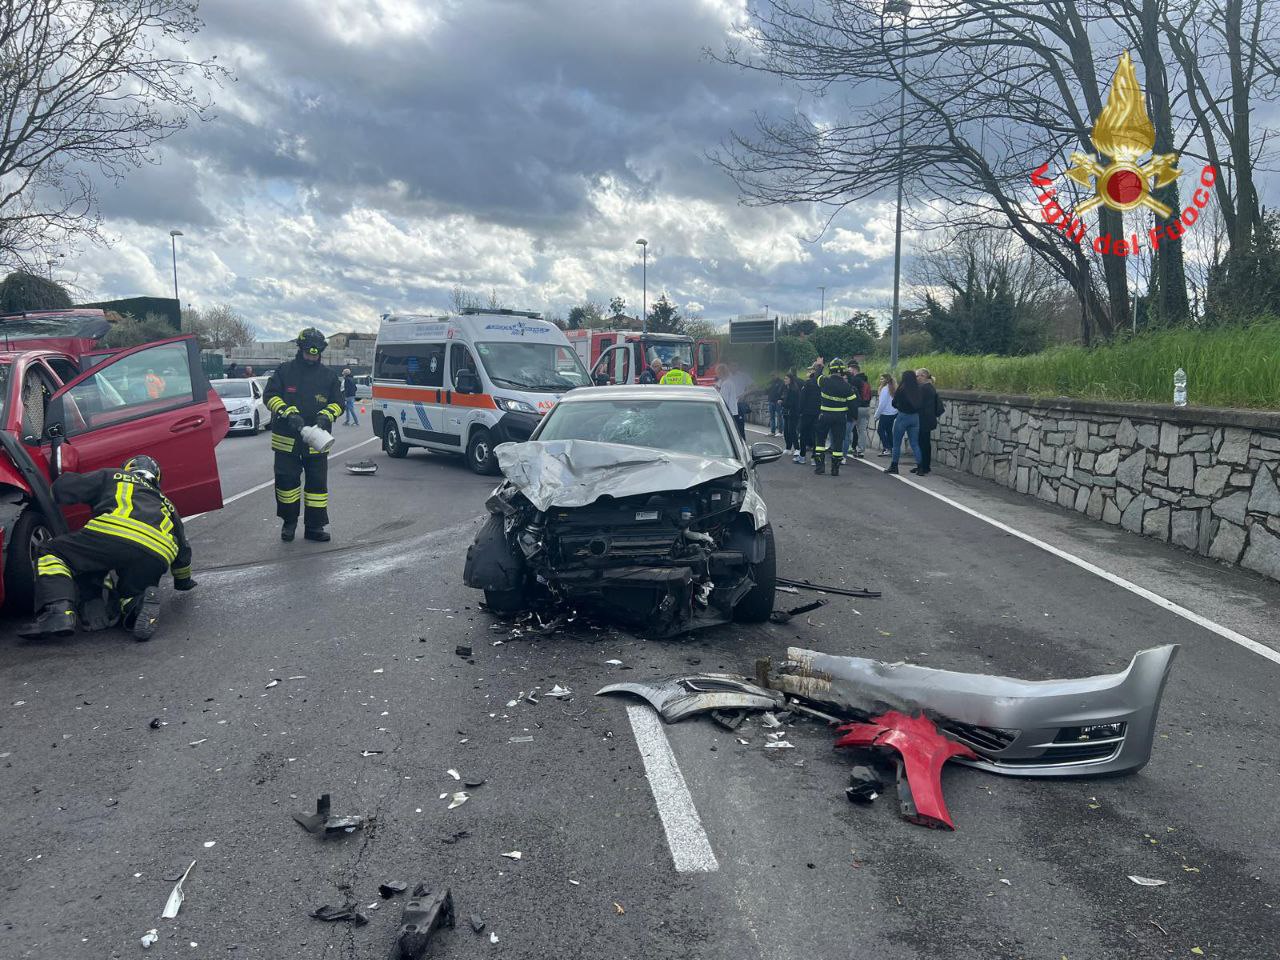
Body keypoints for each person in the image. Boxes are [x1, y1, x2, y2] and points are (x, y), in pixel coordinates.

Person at [21, 455, 195, 641]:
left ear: (128, 468)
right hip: (158, 552)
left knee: (52, 552)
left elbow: (66, 488)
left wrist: (52, 486)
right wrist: (183, 582)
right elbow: (183, 548)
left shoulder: (113, 475)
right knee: (130, 593)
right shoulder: (167, 503)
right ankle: (138, 603)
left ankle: (58, 613)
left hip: (115, 533)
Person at [264, 328, 344, 543]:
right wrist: (287, 413)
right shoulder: (285, 371)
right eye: (308, 353)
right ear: (301, 349)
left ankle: (314, 527)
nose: (312, 357)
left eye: (315, 354)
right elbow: (269, 396)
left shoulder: (328, 376)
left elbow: (338, 403)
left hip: (316, 441)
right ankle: (289, 523)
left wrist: (326, 416)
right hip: (286, 440)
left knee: (317, 486)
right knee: (286, 484)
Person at [813, 358, 854, 477]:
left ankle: (820, 468)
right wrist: (853, 417)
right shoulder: (847, 386)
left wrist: (820, 365)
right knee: (837, 443)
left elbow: (817, 376)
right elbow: (853, 404)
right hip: (840, 418)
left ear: (830, 370)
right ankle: (835, 469)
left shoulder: (824, 381)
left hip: (824, 416)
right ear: (842, 372)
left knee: (820, 441)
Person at [885, 369, 925, 475]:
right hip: (915, 418)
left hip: (903, 416)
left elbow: (894, 403)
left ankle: (894, 466)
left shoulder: (902, 389)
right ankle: (920, 467)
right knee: (915, 443)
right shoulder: (919, 389)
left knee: (897, 443)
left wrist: (900, 406)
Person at [915, 367, 945, 476]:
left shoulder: (924, 388)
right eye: (916, 375)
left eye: (919, 375)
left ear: (925, 377)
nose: (917, 377)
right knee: (924, 443)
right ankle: (924, 465)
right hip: (927, 419)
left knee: (922, 443)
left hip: (924, 419)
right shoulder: (929, 387)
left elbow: (918, 403)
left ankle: (923, 466)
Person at [795, 360, 823, 464]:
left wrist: (800, 411)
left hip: (806, 413)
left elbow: (802, 399)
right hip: (818, 412)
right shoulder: (823, 383)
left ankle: (802, 456)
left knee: (804, 435)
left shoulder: (808, 383)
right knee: (815, 435)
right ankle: (814, 458)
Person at [847, 362, 872, 456]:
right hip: (866, 408)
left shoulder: (854, 380)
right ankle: (861, 450)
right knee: (862, 431)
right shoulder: (865, 381)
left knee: (849, 428)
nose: (848, 372)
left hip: (856, 408)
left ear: (854, 370)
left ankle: (849, 446)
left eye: (849, 370)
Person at [874, 373, 897, 456]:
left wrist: (876, 415)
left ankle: (887, 448)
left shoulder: (884, 389)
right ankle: (892, 448)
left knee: (880, 430)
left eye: (882, 379)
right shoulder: (893, 388)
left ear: (886, 380)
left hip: (886, 413)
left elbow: (882, 404)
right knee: (888, 431)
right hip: (893, 413)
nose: (880, 381)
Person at [782, 371, 801, 454]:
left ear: (791, 380)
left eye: (786, 378)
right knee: (786, 431)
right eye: (784, 378)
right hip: (786, 413)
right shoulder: (786, 388)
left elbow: (791, 403)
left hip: (793, 413)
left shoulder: (794, 390)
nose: (784, 380)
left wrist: (782, 403)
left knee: (792, 431)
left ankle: (797, 448)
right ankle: (788, 448)